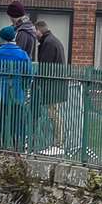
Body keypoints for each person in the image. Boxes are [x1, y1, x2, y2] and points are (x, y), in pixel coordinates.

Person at [0, 26, 33, 152]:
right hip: (17, 94)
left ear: (1, 39)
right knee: (16, 122)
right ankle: (16, 148)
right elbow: (28, 75)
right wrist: (24, 88)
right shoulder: (23, 55)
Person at [32, 20, 68, 155]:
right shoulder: (54, 41)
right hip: (56, 84)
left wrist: (38, 80)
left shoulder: (48, 43)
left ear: (39, 31)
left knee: (54, 114)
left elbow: (45, 67)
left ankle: (58, 143)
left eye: (34, 31)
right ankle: (56, 142)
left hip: (52, 85)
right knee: (54, 114)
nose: (34, 35)